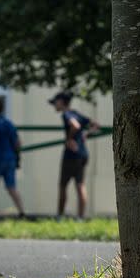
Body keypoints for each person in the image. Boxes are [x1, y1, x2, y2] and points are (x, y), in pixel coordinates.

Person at [48, 91, 99, 219]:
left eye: (55, 102)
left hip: (71, 155)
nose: (54, 105)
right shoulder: (77, 113)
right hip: (83, 154)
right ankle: (80, 217)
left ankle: (59, 216)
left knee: (63, 185)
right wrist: (85, 135)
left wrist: (69, 139)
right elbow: (96, 125)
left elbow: (74, 126)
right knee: (80, 184)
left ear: (61, 102)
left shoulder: (66, 114)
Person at [0, 99, 26, 220]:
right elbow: (18, 142)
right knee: (11, 187)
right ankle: (21, 212)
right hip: (10, 159)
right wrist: (17, 156)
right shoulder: (8, 123)